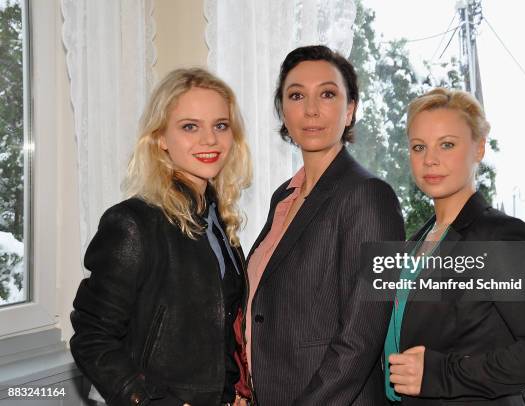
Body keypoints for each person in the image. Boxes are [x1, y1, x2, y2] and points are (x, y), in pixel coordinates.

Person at [70, 68, 253, 406]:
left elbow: (221, 327)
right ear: (160, 139)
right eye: (189, 126)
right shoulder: (133, 223)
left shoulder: (219, 220)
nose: (209, 139)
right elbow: (92, 336)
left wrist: (238, 389)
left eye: (220, 125)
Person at [385, 88, 525, 405]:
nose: (430, 159)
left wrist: (442, 373)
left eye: (447, 144)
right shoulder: (419, 239)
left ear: (479, 149)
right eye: (419, 147)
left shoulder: (500, 237)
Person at [244, 45, 405, 405]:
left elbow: (361, 339)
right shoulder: (283, 198)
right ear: (282, 111)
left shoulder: (372, 197)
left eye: (328, 94)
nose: (312, 109)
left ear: (350, 110)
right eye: (297, 95)